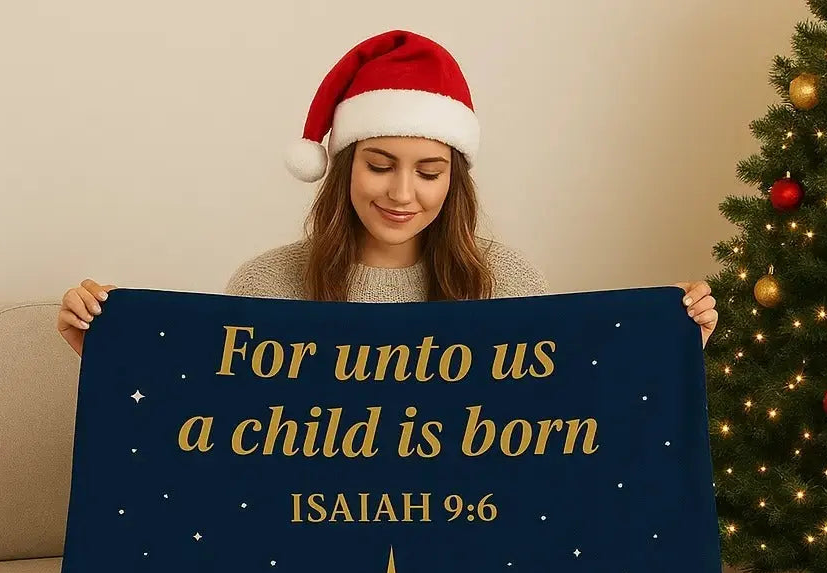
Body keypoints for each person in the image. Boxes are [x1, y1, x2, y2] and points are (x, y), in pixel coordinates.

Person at [56, 29, 718, 355]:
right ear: (344, 167)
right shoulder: (266, 283)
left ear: (454, 181)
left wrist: (672, 342)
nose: (403, 192)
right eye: (380, 165)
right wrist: (108, 348)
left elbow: (574, 406)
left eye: (429, 172)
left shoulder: (507, 281)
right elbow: (204, 418)